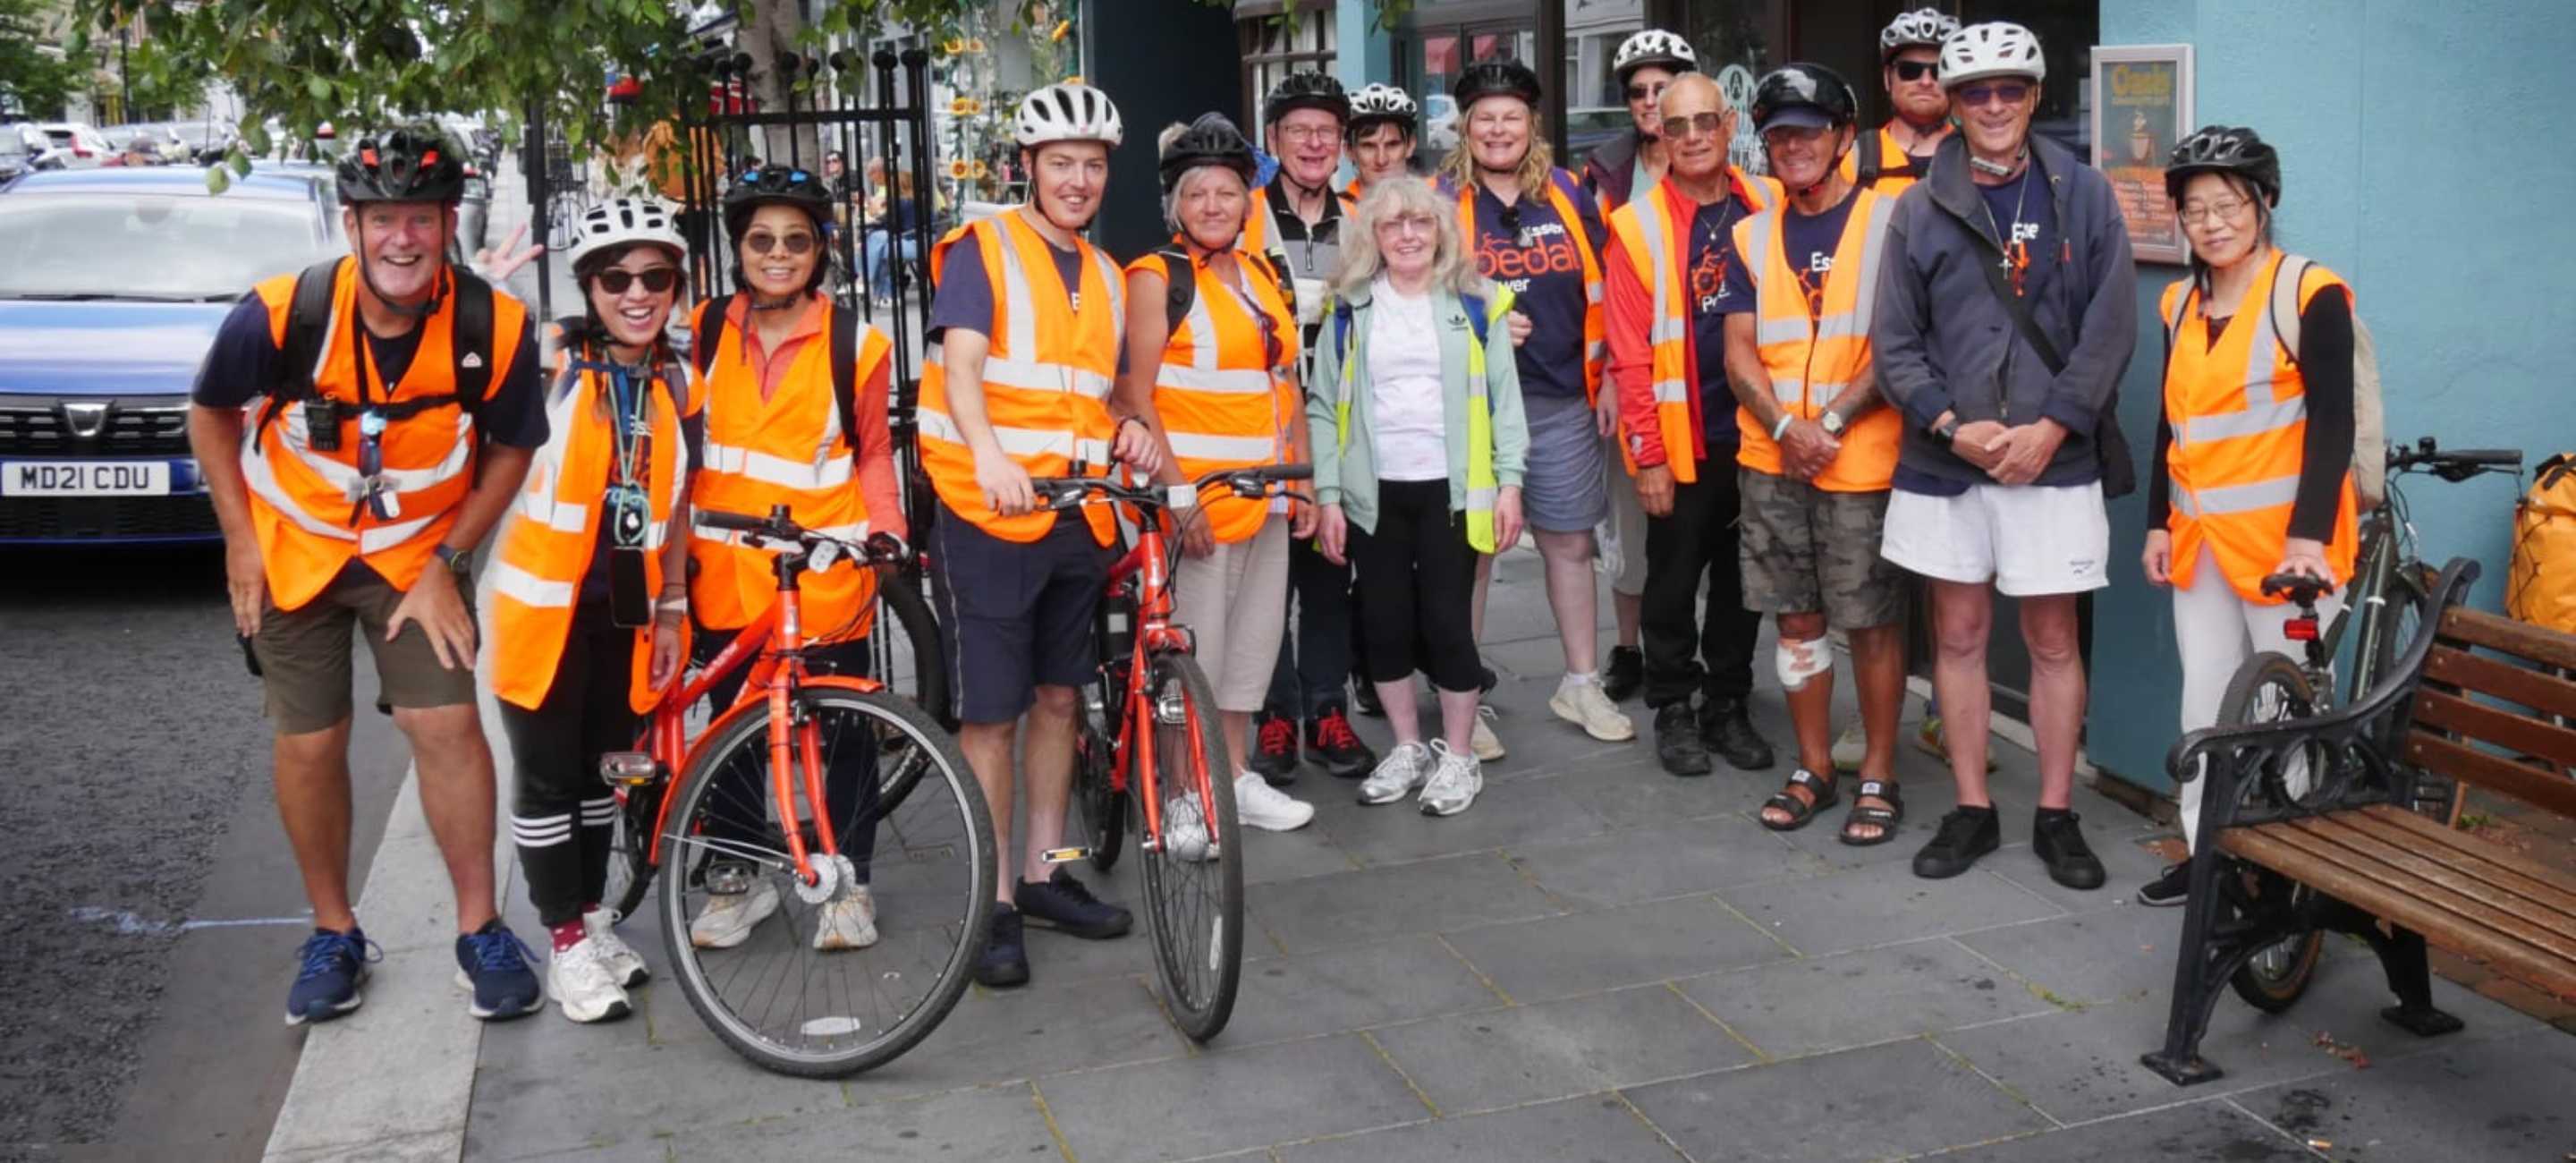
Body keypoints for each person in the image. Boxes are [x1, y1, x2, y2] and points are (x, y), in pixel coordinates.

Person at [188, 125, 549, 1023]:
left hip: (418, 554)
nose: (403, 238)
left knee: (446, 724)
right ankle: (333, 931)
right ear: (350, 224)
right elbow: (210, 413)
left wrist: (450, 562)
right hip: (295, 547)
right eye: (382, 218)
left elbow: (512, 449)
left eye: (421, 218)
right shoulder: (281, 314)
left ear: (449, 224)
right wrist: (240, 541)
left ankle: (480, 928)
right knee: (310, 741)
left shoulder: (493, 325)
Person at [1873, 22, 2138, 889]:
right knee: (1957, 634)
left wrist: (2052, 428)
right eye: (1975, 92)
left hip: (2051, 459)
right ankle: (1972, 807)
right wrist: (1952, 425)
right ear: (1952, 105)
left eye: (2009, 89)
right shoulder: (1919, 207)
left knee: (2053, 639)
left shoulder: (2085, 194)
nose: (1993, 105)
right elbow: (1894, 343)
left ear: (2034, 97)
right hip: (1947, 460)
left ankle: (2057, 813)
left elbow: (2110, 330)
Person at [917, 82, 1164, 989]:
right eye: (1061, 163)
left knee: (1062, 700)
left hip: (1074, 513)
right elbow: (963, 370)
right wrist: (988, 454)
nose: (1078, 180)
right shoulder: (982, 250)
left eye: (1093, 165)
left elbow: (1094, 396)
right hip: (988, 513)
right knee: (992, 716)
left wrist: (1129, 432)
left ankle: (1046, 872)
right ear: (1027, 166)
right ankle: (994, 905)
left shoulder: (1106, 274)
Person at [680, 166, 902, 956]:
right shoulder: (705, 328)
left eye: (796, 241)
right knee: (732, 728)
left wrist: (887, 528)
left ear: (820, 250)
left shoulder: (856, 343)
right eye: (761, 240)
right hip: (724, 572)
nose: (778, 254)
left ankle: (848, 883)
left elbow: (872, 451)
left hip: (822, 569)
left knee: (843, 731)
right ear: (738, 248)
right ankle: (740, 876)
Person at [487, 198, 699, 1023]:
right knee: (546, 777)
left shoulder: (678, 379)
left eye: (656, 278)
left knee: (601, 774)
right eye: (616, 279)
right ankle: (564, 942)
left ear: (676, 286)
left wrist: (672, 610)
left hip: (626, 615)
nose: (637, 294)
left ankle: (588, 920)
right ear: (588, 287)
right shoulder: (549, 362)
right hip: (542, 613)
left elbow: (678, 503)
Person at [2136, 126, 2355, 906]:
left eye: (2228, 205)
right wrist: (2157, 522)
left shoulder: (2307, 293)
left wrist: (2307, 537)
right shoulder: (2179, 302)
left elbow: (2334, 420)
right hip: (2201, 542)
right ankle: (2209, 856)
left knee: (2286, 705)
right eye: (2195, 210)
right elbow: (2172, 422)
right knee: (2206, 700)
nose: (2212, 223)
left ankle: (2288, 868)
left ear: (2264, 204)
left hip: (2287, 549)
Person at [1715, 65, 1911, 843]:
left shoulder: (1894, 222)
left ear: (1843, 136)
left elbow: (1902, 345)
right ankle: (1815, 767)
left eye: (1809, 131)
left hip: (1862, 462)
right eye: (1779, 135)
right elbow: (1738, 352)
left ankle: (1880, 773)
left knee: (1871, 621)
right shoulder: (1750, 235)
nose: (1794, 146)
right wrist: (1784, 427)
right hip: (1773, 461)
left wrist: (1825, 422)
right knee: (1796, 620)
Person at [1114, 113, 1318, 834]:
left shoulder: (1262, 274)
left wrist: (1302, 483)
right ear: (1175, 204)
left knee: (1250, 652)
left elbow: (1283, 382)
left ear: (1246, 201)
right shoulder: (1157, 278)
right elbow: (1133, 397)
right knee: (1191, 655)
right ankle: (1180, 794)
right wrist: (1177, 496)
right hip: (1195, 502)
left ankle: (1232, 779)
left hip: (1261, 494)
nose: (1212, 205)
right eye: (1196, 193)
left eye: (1226, 192)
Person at [1311, 176, 1530, 816]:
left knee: (1446, 623)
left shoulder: (1478, 301)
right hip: (1372, 493)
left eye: (1421, 223)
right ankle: (1407, 748)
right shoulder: (1348, 307)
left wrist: (1510, 485)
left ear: (1441, 232)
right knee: (1383, 624)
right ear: (1373, 237)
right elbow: (1322, 405)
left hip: (1453, 493)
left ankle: (1458, 756)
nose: (1408, 235)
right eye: (1392, 224)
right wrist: (1328, 495)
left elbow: (1505, 400)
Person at [1441, 58, 1633, 751]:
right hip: (1473, 410)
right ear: (1466, 128)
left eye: (1512, 118)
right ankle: (1462, 697)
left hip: (1560, 398)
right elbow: (1413, 299)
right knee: (1474, 553)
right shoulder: (1438, 202)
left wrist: (1610, 376)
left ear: (1532, 126)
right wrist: (1480, 322)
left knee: (1571, 543)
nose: (1498, 130)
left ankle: (1580, 682)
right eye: (1485, 119)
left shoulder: (1572, 194)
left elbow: (1611, 287)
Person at [1602, 73, 1783, 777]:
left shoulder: (1768, 201)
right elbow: (1628, 353)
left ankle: (1728, 703)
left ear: (1730, 123)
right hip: (1684, 439)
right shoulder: (1636, 225)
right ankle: (1674, 705)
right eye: (1676, 125)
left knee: (1744, 583)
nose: (1693, 136)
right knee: (1673, 582)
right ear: (1660, 133)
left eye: (1705, 120)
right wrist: (1646, 454)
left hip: (1760, 434)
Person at [1243, 70, 1378, 785]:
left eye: (1327, 131)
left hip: (1340, 423)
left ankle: (1326, 710)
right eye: (1299, 129)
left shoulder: (1363, 220)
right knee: (1266, 579)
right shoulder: (1239, 215)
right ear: (1274, 139)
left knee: (1330, 567)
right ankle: (1273, 711)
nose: (1315, 142)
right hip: (1261, 422)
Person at [1584, 29, 1702, 704]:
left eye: (1664, 87)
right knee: (1630, 521)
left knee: (1699, 523)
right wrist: (1605, 373)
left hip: (1702, 373)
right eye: (1639, 91)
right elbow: (1595, 284)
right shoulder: (1604, 177)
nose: (1652, 101)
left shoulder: (1723, 168)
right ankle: (1629, 647)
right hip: (1629, 369)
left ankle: (1690, 652)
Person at [1842, 8, 1961, 196]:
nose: (1926, 82)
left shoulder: (1977, 155)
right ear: (1887, 79)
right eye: (1910, 70)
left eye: (1938, 71)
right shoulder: (1854, 160)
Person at [1345, 83, 1419, 197]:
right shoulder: (1336, 206)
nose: (1381, 160)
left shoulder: (1435, 203)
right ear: (1348, 151)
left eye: (1392, 145)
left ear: (1410, 145)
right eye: (1369, 146)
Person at [863, 166, 924, 301]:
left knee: (878, 247)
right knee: (877, 244)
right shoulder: (915, 200)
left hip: (913, 243)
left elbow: (891, 225)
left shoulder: (901, 202)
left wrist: (874, 224)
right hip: (919, 240)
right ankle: (881, 292)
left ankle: (876, 287)